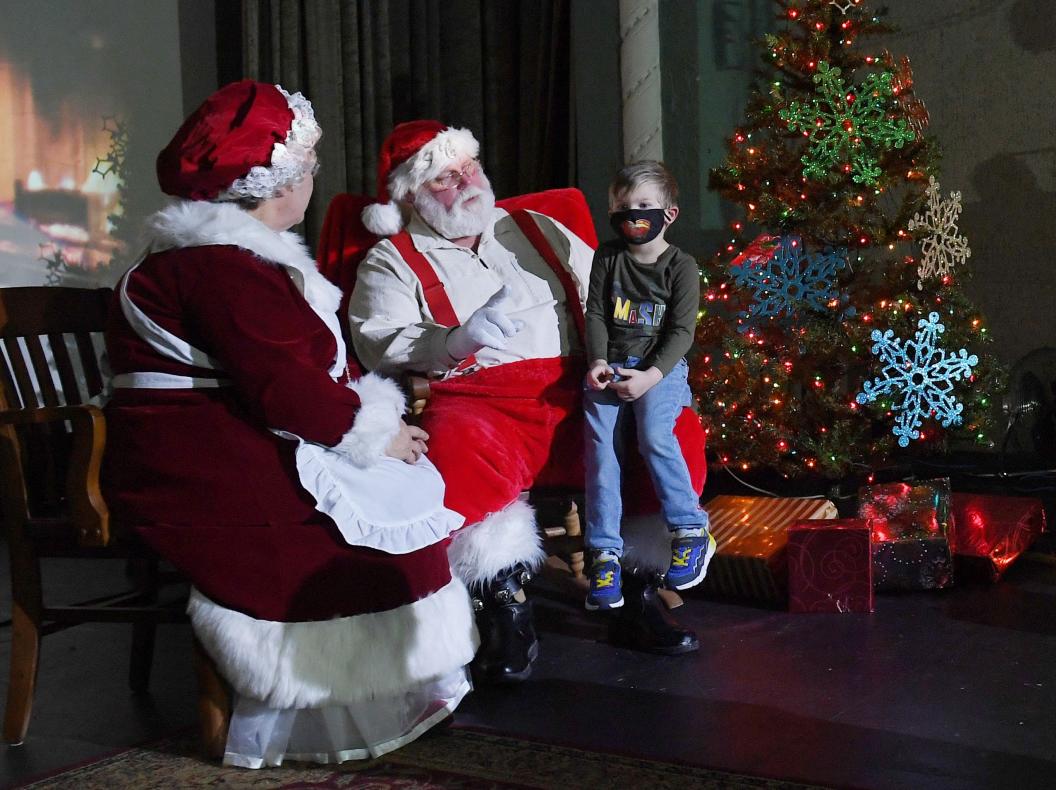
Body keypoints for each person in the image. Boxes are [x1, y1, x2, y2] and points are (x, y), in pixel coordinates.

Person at [101, 81, 475, 769]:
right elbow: (286, 387)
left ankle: (387, 687)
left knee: (396, 492)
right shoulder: (222, 267)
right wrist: (375, 432)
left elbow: (292, 377)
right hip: (191, 462)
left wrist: (368, 428)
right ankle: (289, 713)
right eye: (308, 170)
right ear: (283, 181)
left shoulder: (230, 258)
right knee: (341, 528)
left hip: (214, 437)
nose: (312, 182)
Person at [342, 122, 705, 673]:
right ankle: (502, 605)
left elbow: (613, 298)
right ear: (413, 194)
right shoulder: (393, 260)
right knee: (460, 447)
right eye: (446, 177)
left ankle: (638, 591)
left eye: (470, 168)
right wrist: (454, 339)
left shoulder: (535, 227)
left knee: (673, 433)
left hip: (584, 386)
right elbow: (377, 343)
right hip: (483, 398)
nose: (467, 183)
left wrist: (652, 370)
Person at [581, 161, 714, 612]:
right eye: (622, 207)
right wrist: (599, 361)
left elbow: (681, 332)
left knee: (654, 433)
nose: (631, 214)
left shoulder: (681, 265)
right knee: (601, 446)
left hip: (660, 368)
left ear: (668, 214)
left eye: (643, 206)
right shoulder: (608, 257)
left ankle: (689, 528)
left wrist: (651, 377)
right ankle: (603, 554)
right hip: (613, 364)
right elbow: (596, 313)